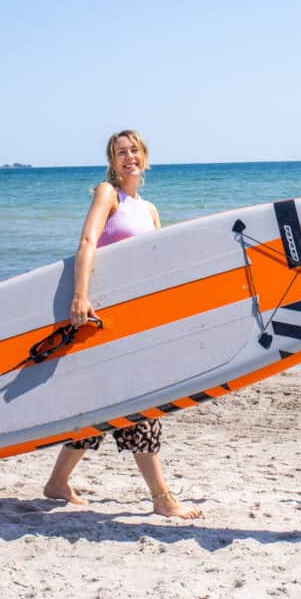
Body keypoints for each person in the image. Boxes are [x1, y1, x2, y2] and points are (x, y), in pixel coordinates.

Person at [42, 130, 202, 520]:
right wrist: (79, 296)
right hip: (103, 317)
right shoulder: (107, 193)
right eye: (120, 152)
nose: (128, 157)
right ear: (112, 161)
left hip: (136, 320)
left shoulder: (149, 209)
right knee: (140, 405)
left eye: (133, 151)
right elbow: (86, 242)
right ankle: (162, 497)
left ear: (144, 156)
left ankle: (56, 483)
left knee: (101, 405)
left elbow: (156, 266)